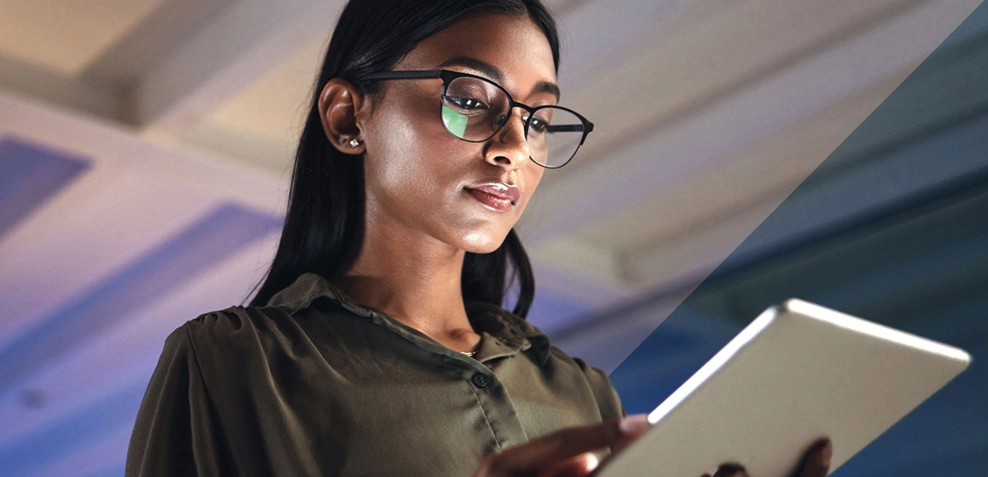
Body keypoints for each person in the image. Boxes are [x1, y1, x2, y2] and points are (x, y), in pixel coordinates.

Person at [126, 1, 832, 476]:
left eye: (539, 118)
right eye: (469, 99)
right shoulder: (233, 361)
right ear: (348, 116)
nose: (513, 147)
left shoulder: (582, 392)